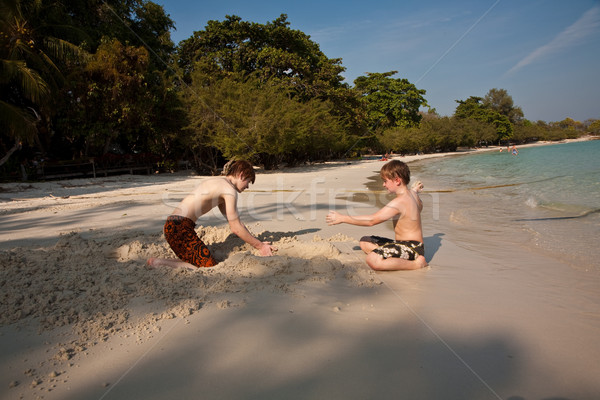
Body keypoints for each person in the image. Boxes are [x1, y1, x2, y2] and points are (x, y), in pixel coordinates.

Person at [148, 160, 276, 269]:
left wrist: (257, 242)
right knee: (208, 266)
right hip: (179, 228)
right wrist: (261, 247)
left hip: (175, 225)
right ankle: (159, 263)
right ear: (241, 175)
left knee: (199, 261)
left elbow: (237, 223)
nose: (247, 186)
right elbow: (236, 228)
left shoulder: (219, 184)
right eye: (248, 181)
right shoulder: (229, 190)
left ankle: (160, 262)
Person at [326, 160, 427, 271]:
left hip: (411, 248)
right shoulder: (413, 194)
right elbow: (419, 208)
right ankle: (392, 256)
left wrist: (343, 218)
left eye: (385, 181)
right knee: (365, 241)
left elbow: (372, 220)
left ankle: (417, 264)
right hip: (407, 245)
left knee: (372, 260)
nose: (384, 185)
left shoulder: (399, 202)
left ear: (397, 180)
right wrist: (415, 190)